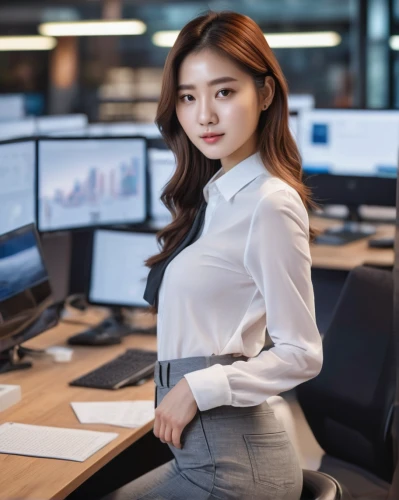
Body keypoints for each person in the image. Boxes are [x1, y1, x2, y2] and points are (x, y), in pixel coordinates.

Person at [104, 10, 323, 500]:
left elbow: (302, 353)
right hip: (204, 451)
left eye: (224, 92)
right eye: (188, 97)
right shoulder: (218, 195)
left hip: (233, 466)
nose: (204, 114)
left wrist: (196, 388)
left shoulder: (269, 202)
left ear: (264, 94)